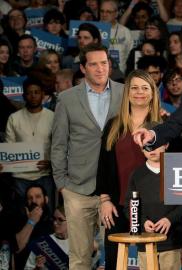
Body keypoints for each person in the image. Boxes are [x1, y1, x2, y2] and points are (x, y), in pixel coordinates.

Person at [51, 43, 124, 270]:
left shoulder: (126, 92)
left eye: (104, 63)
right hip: (77, 189)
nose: (100, 69)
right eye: (94, 64)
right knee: (80, 258)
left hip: (114, 189)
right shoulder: (67, 98)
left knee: (114, 258)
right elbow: (58, 144)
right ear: (83, 68)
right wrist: (62, 185)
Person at [95, 70, 162, 269]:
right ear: (127, 92)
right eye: (134, 88)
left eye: (144, 88)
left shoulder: (165, 126)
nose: (139, 92)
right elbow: (103, 166)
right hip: (118, 206)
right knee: (115, 263)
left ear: (152, 92)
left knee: (151, 264)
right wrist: (105, 200)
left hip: (154, 208)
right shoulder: (114, 126)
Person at [124, 142, 182, 270]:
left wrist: (170, 219)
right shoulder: (137, 175)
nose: (151, 150)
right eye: (146, 147)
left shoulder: (178, 171)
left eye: (155, 145)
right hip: (145, 242)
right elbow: (129, 206)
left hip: (171, 242)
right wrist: (143, 222)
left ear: (166, 144)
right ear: (141, 149)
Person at [5, 77, 55, 213]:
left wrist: (52, 162)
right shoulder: (14, 118)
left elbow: (59, 146)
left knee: (48, 214)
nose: (33, 96)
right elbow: (9, 148)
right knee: (22, 216)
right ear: (23, 96)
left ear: (43, 94)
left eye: (36, 92)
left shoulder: (53, 117)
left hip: (45, 175)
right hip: (20, 177)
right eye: (29, 93)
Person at [13, 183, 53, 270]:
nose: (34, 201)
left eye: (38, 196)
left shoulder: (54, 222)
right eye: (30, 198)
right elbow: (17, 248)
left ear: (46, 199)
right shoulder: (19, 222)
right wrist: (31, 222)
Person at [24, 205, 69, 270]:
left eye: (60, 220)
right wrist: (38, 268)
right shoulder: (43, 243)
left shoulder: (78, 245)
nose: (55, 223)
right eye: (54, 218)